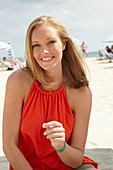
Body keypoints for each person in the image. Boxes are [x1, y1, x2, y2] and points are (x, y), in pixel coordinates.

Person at [2, 16, 98, 170]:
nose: (44, 51)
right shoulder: (18, 81)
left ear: (64, 44)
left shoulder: (81, 93)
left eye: (51, 42)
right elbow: (9, 146)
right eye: (36, 45)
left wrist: (61, 146)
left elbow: (76, 159)